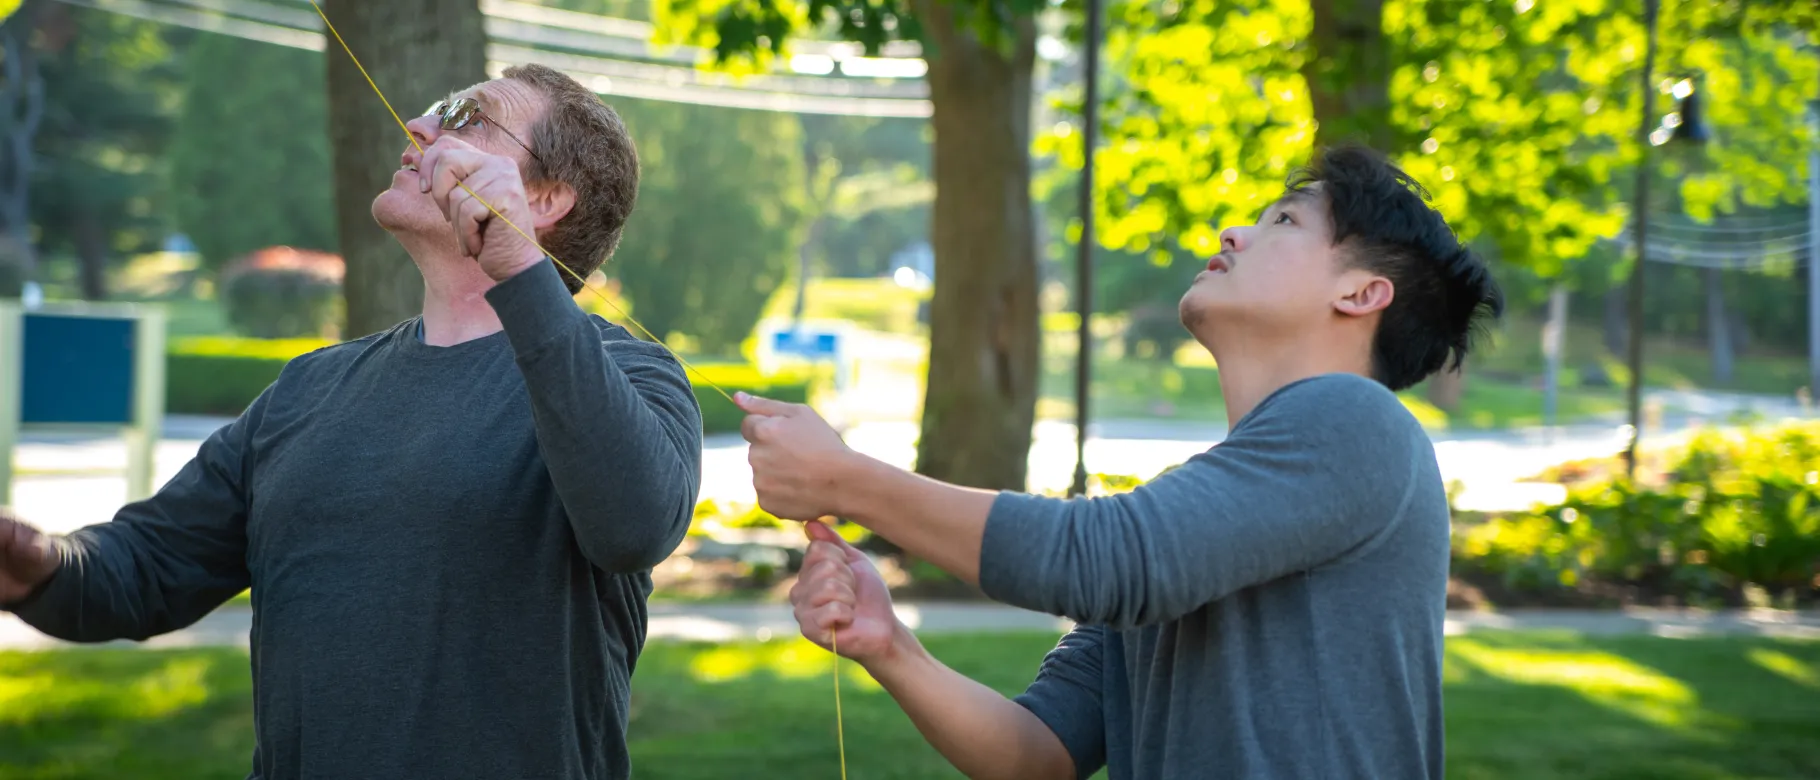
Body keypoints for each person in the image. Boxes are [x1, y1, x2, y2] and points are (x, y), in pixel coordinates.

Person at [0, 64, 702, 779]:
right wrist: (36, 565)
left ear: (545, 198)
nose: (419, 127)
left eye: (466, 118)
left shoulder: (631, 376)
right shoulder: (312, 386)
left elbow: (633, 526)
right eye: (434, 109)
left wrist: (517, 262)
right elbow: (144, 568)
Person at [736, 144, 1504, 779]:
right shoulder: (1205, 519)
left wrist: (847, 480)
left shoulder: (1358, 421)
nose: (1234, 233)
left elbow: (1107, 557)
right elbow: (1041, 753)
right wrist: (889, 644)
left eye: (1282, 221)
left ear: (1363, 294)